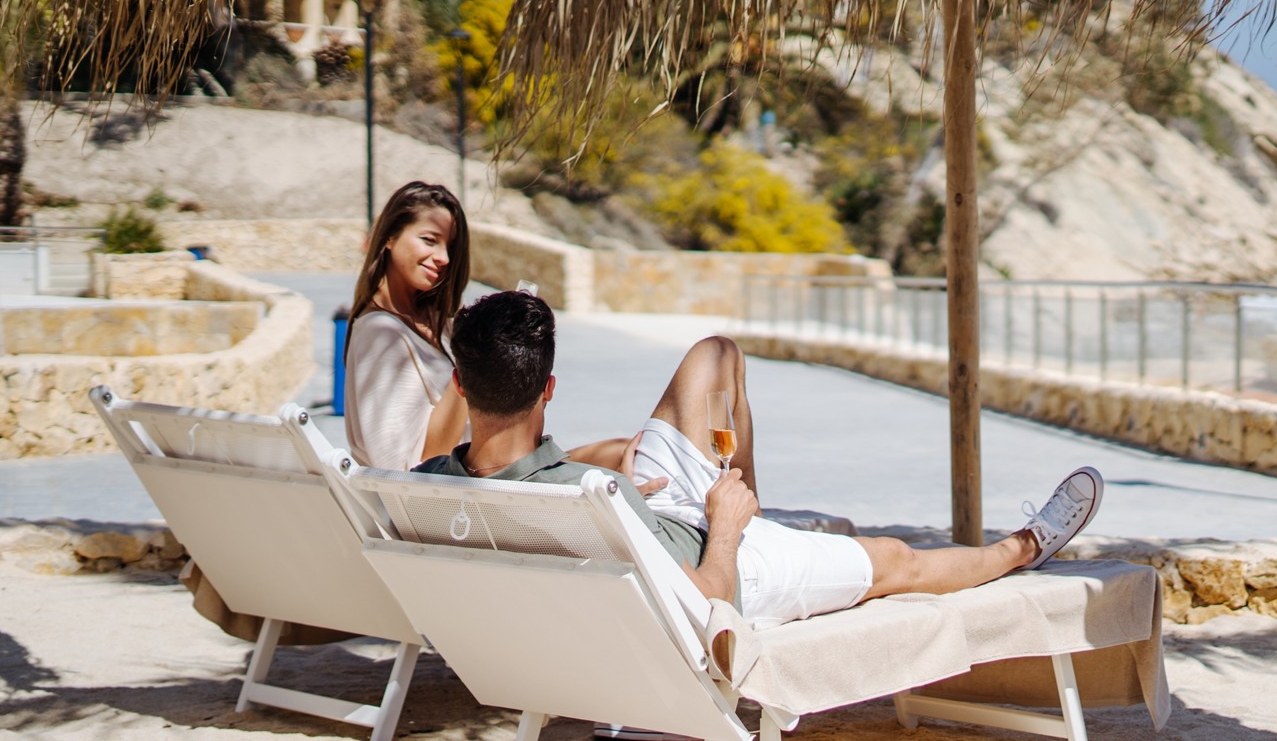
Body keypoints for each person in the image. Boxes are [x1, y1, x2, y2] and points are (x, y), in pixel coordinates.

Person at [414, 291, 1105, 629]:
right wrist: (727, 523)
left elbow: (540, 483)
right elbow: (705, 602)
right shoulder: (586, 497)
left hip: (635, 517)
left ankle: (749, 496)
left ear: (461, 386)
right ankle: (1025, 546)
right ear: (549, 389)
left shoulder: (425, 489)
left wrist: (619, 486)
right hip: (716, 557)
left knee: (715, 357)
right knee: (898, 561)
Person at [342, 181, 474, 470]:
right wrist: (476, 357)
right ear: (389, 236)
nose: (444, 258)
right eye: (430, 240)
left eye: (450, 247)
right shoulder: (379, 335)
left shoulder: (440, 324)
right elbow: (404, 467)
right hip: (435, 506)